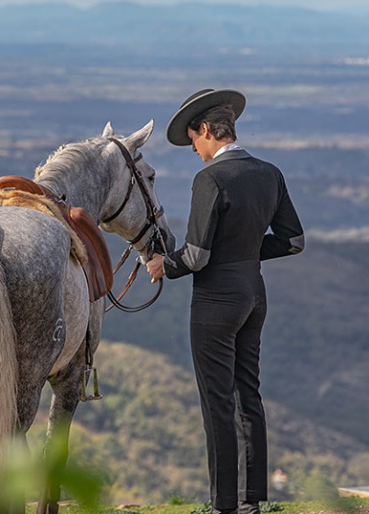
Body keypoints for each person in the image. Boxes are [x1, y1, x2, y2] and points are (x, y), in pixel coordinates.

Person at [146, 89, 304, 514]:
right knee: (247, 396)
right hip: (255, 296)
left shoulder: (210, 179)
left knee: (216, 401)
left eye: (193, 140)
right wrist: (248, 252)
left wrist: (165, 264)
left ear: (206, 131)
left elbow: (197, 256)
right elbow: (293, 242)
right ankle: (251, 501)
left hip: (216, 303)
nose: (194, 150)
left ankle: (223, 506)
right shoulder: (270, 173)